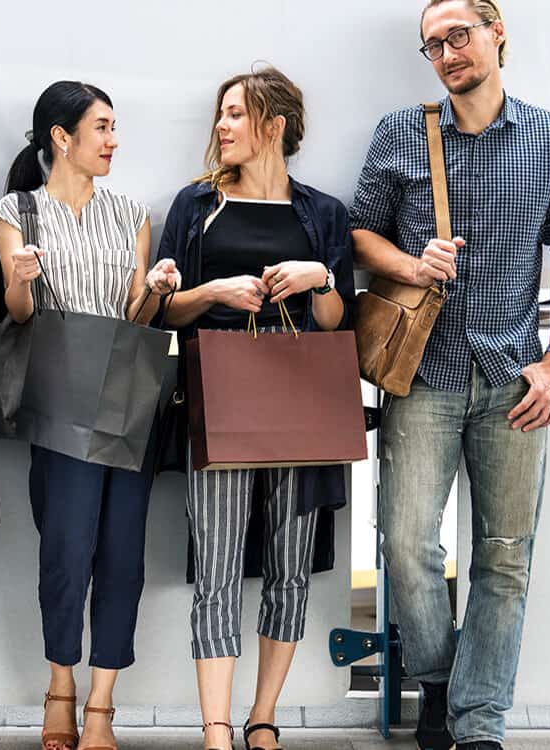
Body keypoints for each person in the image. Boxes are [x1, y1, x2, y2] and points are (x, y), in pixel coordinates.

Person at [349, 2, 550, 748]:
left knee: (505, 554)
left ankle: (479, 720)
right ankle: (437, 681)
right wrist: (410, 261)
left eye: (459, 34)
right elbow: (360, 234)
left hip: (515, 378)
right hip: (423, 374)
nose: (448, 51)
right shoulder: (400, 133)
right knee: (407, 543)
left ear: (496, 34)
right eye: (433, 44)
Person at [156, 66, 356, 750]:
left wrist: (319, 275)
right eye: (222, 113)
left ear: (275, 126)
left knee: (290, 566)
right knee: (215, 561)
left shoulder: (323, 213)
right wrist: (213, 291)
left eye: (237, 114)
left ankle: (262, 717)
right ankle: (216, 728)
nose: (222, 126)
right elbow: (162, 309)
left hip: (302, 404)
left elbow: (333, 322)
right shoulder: (195, 205)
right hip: (221, 399)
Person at [0, 80, 179, 750]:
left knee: (123, 553)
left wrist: (155, 290)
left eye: (114, 127)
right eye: (100, 128)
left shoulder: (131, 211)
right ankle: (59, 689)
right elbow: (19, 315)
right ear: (60, 138)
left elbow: (137, 317)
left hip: (128, 389)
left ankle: (102, 705)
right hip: (60, 390)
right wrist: (18, 275)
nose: (112, 141)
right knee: (66, 549)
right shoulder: (16, 211)